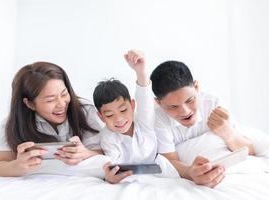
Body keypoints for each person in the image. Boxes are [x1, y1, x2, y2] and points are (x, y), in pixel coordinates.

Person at [150, 60, 255, 188]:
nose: (185, 111)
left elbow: (250, 150)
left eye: (190, 100)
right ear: (158, 103)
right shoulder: (158, 119)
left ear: (196, 87)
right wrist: (190, 172)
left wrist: (228, 134)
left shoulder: (213, 103)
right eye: (173, 106)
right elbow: (170, 161)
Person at [0, 62, 103, 177]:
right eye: (50, 100)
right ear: (30, 104)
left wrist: (85, 153)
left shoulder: (86, 112)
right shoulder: (16, 124)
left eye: (64, 94)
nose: (62, 104)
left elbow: (106, 154)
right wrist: (17, 166)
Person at [93, 50, 157, 184]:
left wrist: (141, 72)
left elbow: (144, 97)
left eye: (123, 110)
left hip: (158, 171)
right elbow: (115, 165)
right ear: (101, 117)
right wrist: (109, 177)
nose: (119, 119)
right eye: (109, 115)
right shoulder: (107, 137)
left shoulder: (143, 121)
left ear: (132, 106)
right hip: (131, 179)